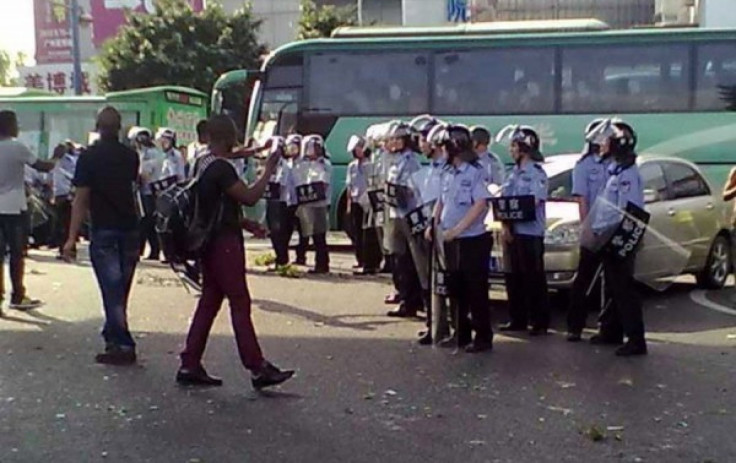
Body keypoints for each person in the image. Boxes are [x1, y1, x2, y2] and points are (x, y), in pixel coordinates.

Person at [176, 114, 294, 389]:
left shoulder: (201, 162)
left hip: (207, 240)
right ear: (228, 137)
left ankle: (190, 362)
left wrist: (246, 223)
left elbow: (213, 205)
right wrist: (269, 168)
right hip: (225, 243)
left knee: (209, 301)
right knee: (239, 300)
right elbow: (250, 196)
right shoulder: (222, 168)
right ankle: (256, 366)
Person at [63, 107, 141, 365]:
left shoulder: (89, 158)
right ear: (119, 128)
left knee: (111, 289)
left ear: (97, 128)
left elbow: (81, 198)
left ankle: (122, 343)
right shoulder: (131, 157)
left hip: (104, 228)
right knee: (121, 289)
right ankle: (112, 333)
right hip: (130, 228)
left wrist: (72, 237)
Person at [431, 125, 493, 352]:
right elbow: (441, 200)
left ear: (454, 147)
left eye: (445, 146)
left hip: (471, 240)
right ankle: (461, 334)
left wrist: (457, 230)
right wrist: (434, 222)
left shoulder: (475, 172)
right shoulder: (447, 172)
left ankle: (483, 337)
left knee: (475, 290)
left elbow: (480, 204)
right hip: (449, 240)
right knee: (455, 289)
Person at [588, 120, 647, 357]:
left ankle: (635, 339)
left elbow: (629, 210)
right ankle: (610, 331)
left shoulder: (627, 175)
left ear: (618, 143)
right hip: (608, 237)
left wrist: (617, 240)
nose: (601, 145)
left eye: (606, 140)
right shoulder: (617, 170)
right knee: (610, 286)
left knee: (624, 290)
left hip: (618, 237)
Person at [0, 110, 57, 311]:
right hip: (14, 208)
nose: (18, 127)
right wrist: (57, 157)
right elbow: (43, 166)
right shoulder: (17, 147)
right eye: (15, 123)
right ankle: (17, 295)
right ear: (8, 126)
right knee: (17, 253)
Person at [499, 126, 550, 336]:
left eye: (514, 146)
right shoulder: (513, 173)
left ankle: (539, 321)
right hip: (513, 232)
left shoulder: (537, 174)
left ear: (524, 148)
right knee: (513, 277)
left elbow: (533, 201)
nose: (511, 150)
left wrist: (514, 210)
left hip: (531, 232)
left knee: (533, 278)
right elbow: (504, 201)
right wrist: (505, 225)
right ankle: (517, 319)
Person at [566, 119, 612, 342]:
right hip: (594, 229)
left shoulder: (616, 164)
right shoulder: (584, 165)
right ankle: (575, 326)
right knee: (583, 279)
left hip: (613, 229)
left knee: (611, 282)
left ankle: (607, 327)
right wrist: (586, 227)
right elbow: (581, 199)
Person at [384, 121, 429, 319]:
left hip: (408, 215)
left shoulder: (412, 161)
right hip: (394, 213)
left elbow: (414, 190)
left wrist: (402, 193)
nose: (393, 142)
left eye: (397, 139)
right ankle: (405, 300)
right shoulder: (392, 160)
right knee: (399, 259)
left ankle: (414, 300)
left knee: (412, 260)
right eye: (391, 139)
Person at [293, 135, 332, 274]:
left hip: (319, 204)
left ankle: (322, 265)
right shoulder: (305, 164)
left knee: (319, 236)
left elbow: (324, 184)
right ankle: (317, 263)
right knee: (308, 234)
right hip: (307, 204)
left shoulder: (324, 164)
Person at [346, 134, 381, 275]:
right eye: (356, 149)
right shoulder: (352, 166)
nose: (358, 151)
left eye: (360, 148)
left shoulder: (372, 164)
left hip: (369, 203)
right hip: (356, 202)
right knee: (357, 233)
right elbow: (349, 186)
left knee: (369, 233)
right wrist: (349, 204)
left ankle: (371, 261)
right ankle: (360, 259)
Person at [129, 127, 163, 260]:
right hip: (153, 191)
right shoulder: (156, 152)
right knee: (149, 222)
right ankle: (151, 249)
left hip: (147, 192)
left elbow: (144, 174)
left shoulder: (147, 154)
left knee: (145, 222)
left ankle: (143, 249)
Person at [264, 136, 295, 269]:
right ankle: (279, 258)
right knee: (273, 232)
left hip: (280, 202)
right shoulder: (271, 165)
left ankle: (282, 260)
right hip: (271, 200)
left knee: (279, 232)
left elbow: (280, 184)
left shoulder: (284, 165)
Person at [52, 141, 79, 258]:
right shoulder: (53, 162)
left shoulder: (70, 161)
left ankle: (69, 250)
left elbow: (73, 176)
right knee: (59, 224)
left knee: (67, 223)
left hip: (67, 194)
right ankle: (61, 249)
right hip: (57, 195)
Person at [285, 134, 308, 265]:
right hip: (289, 201)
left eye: (295, 146)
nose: (292, 149)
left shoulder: (304, 164)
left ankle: (301, 256)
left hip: (301, 202)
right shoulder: (286, 164)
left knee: (303, 231)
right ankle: (284, 257)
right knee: (286, 230)